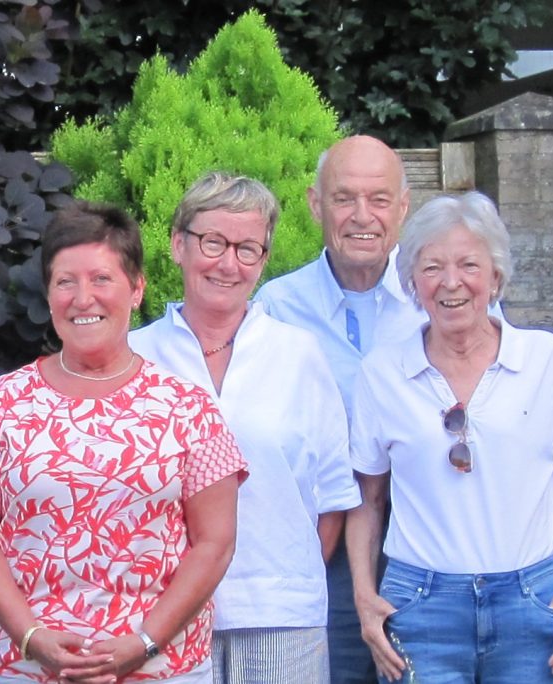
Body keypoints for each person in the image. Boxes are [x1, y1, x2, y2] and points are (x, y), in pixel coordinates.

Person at [0, 203, 246, 684]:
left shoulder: (187, 407)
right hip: (28, 670)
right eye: (66, 282)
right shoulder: (2, 404)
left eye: (102, 279)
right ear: (48, 294)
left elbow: (216, 543)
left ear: (137, 288)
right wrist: (31, 638)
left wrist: (144, 643)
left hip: (162, 670)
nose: (83, 299)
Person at [346, 193, 553, 683]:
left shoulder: (546, 360)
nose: (451, 282)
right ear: (413, 282)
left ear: (495, 277)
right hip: (420, 605)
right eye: (432, 267)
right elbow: (367, 498)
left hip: (532, 599)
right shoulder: (382, 372)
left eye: (469, 265)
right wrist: (365, 598)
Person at [125, 173, 356, 683]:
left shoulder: (299, 354)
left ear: (263, 260)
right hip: (158, 617)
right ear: (178, 245)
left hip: (281, 618)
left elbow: (333, 496)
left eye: (248, 249)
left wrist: (283, 584)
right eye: (213, 242)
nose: (229, 264)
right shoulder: (135, 357)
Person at [250, 135, 426, 684]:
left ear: (403, 207)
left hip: (426, 542)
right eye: (344, 198)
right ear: (315, 204)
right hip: (321, 545)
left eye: (379, 199)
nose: (362, 216)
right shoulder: (277, 308)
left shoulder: (437, 297)